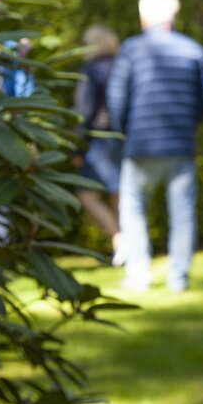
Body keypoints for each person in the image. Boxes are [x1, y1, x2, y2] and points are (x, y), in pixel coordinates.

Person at [107, 0, 203, 292]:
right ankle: (178, 278)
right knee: (182, 213)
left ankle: (139, 274)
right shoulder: (193, 50)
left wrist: (124, 130)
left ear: (144, 16)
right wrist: (189, 125)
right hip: (181, 144)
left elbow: (117, 97)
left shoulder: (130, 49)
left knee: (133, 208)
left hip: (140, 145)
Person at [73, 24, 125, 264]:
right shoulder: (123, 67)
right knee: (119, 196)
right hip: (122, 138)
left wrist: (76, 147)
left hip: (99, 139)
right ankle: (127, 243)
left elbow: (83, 112)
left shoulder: (90, 71)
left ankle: (119, 239)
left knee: (87, 195)